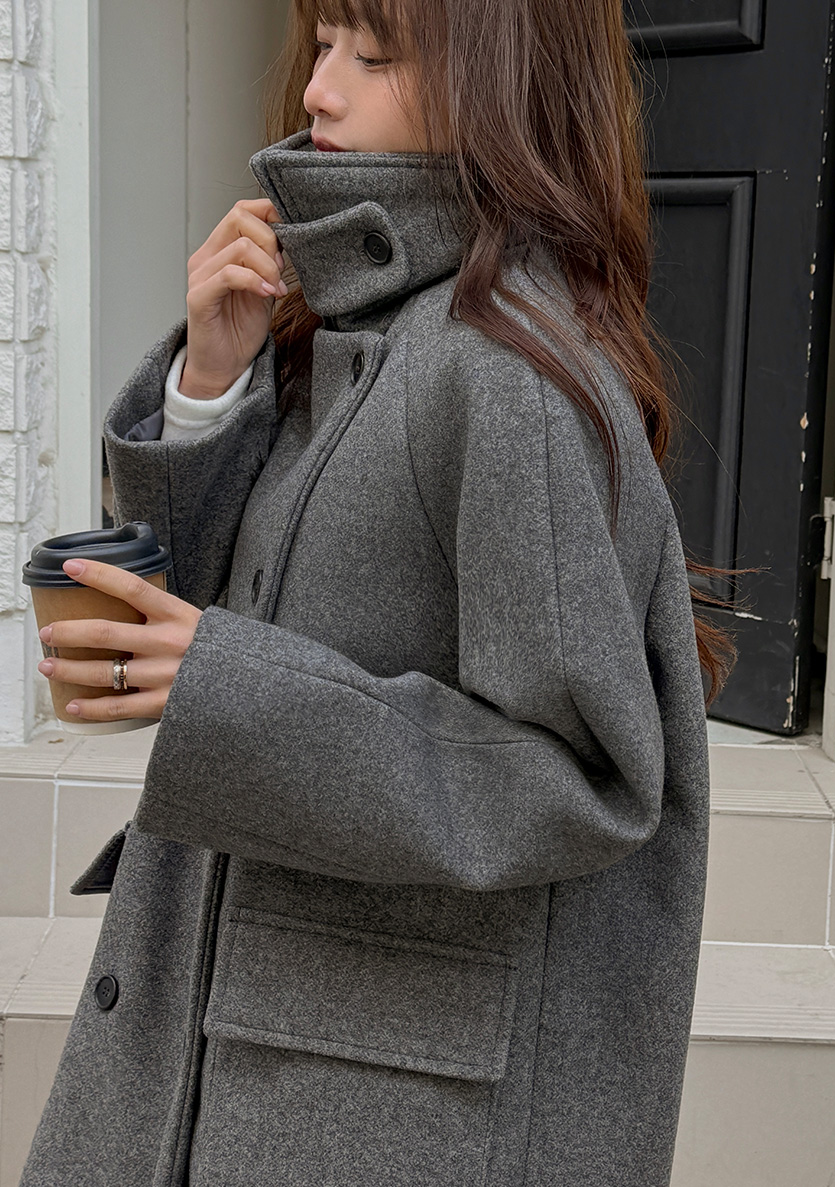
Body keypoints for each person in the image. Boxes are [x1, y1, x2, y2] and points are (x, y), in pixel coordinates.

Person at [22, 1, 734, 1184]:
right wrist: (211, 378)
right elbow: (222, 599)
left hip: (368, 1098)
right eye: (323, 42)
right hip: (257, 1039)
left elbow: (588, 776)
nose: (318, 88)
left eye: (376, 52)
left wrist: (235, 691)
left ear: (495, 88)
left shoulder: (504, 375)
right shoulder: (362, 325)